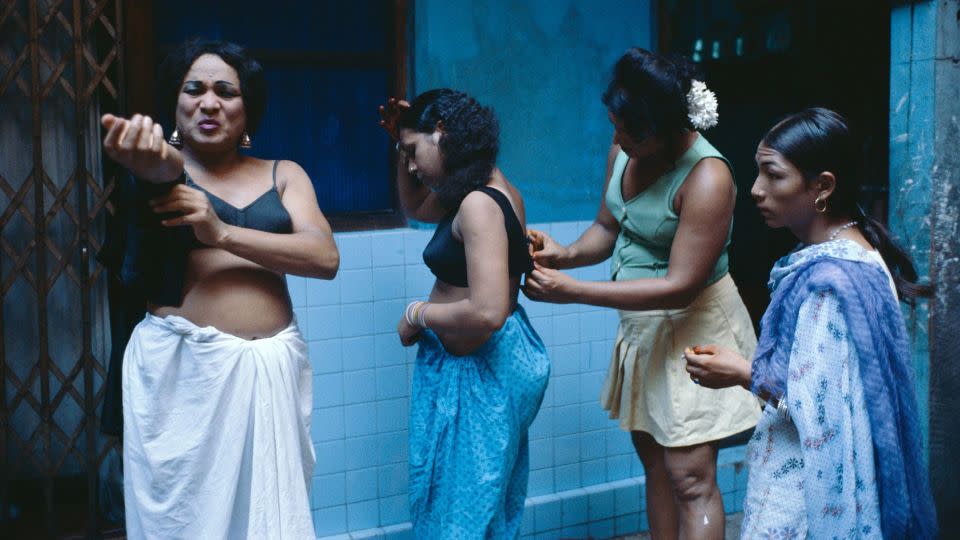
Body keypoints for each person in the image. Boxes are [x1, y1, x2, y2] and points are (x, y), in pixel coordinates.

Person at [98, 38, 339, 539]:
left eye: (226, 91)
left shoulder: (284, 174)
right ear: (175, 103)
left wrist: (222, 232)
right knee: (189, 523)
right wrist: (155, 168)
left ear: (247, 109)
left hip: (271, 371)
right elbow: (159, 183)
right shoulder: (157, 172)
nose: (209, 101)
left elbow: (324, 257)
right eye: (195, 89)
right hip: (185, 380)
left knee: (267, 522)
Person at [524, 47, 759, 539]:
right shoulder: (626, 150)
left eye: (629, 131)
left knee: (690, 478)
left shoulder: (708, 177)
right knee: (655, 462)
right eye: (615, 126)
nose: (617, 139)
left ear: (667, 127)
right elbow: (608, 228)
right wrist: (562, 254)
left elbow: (679, 287)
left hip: (694, 330)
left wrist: (573, 291)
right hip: (643, 328)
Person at [683, 108, 937, 538]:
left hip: (804, 494)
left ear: (822, 187)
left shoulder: (829, 285)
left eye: (773, 175)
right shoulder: (859, 254)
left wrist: (742, 371)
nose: (756, 190)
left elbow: (822, 411)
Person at [377, 89, 550, 538]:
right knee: (479, 510)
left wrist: (418, 314)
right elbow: (415, 206)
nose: (413, 166)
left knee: (461, 518)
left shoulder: (477, 204)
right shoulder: (489, 188)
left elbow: (489, 311)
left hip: (479, 377)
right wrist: (401, 144)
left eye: (415, 152)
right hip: (483, 368)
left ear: (443, 133)